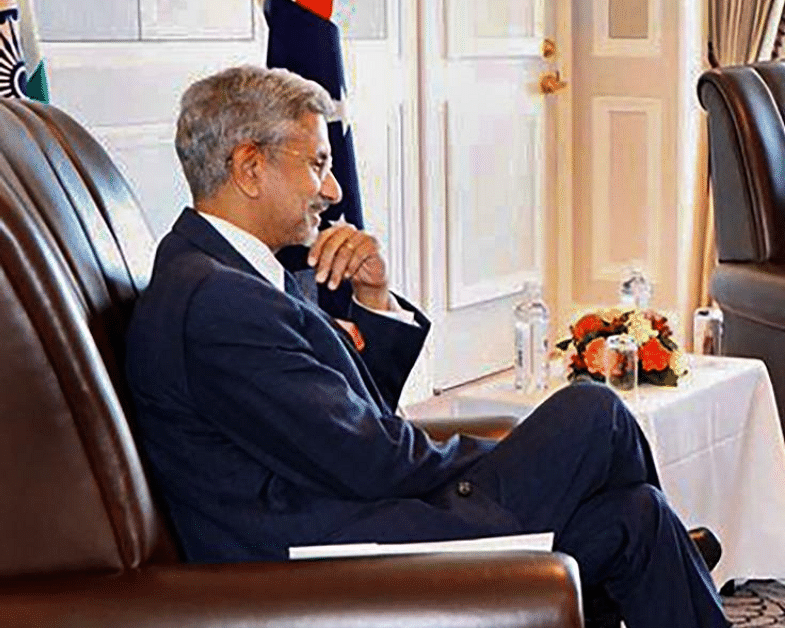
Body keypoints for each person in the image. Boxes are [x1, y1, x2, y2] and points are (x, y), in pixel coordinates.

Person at [125, 65, 730, 628]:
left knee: (637, 517)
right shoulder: (218, 301)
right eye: (317, 163)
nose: (333, 189)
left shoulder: (225, 273)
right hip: (326, 553)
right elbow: (366, 458)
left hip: (341, 511)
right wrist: (496, 462)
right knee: (595, 415)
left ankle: (656, 561)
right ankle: (661, 569)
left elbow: (337, 418)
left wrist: (375, 298)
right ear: (250, 167)